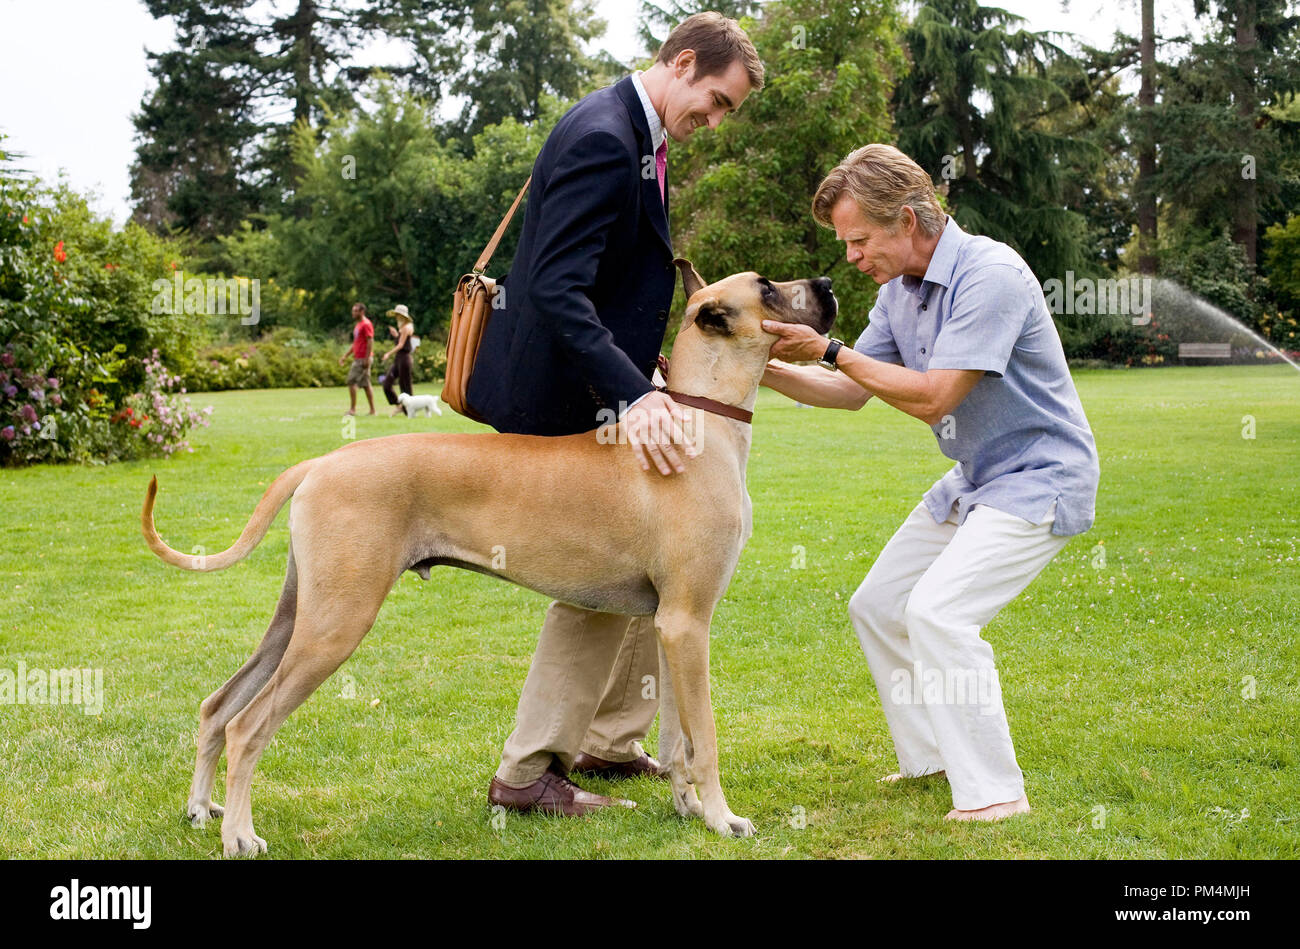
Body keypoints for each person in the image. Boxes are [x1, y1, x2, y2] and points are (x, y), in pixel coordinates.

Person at [465, 12, 764, 817]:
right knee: (593, 583)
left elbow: (607, 281)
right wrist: (634, 393)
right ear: (684, 61)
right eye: (714, 102)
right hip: (565, 398)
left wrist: (643, 373)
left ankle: (610, 738)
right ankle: (527, 773)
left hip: (601, 387)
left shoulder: (635, 130)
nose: (711, 122)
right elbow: (557, 288)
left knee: (652, 560)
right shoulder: (605, 133)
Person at [761, 144, 1100, 822]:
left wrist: (830, 347)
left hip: (1040, 476)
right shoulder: (898, 293)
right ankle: (931, 759)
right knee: (879, 604)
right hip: (975, 478)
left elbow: (933, 397)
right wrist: (749, 365)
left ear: (909, 221)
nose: (852, 257)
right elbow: (849, 390)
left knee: (939, 612)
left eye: (860, 240)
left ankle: (995, 794)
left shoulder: (990, 275)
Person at [339, 302, 376, 416]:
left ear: (362, 312)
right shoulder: (358, 325)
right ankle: (372, 410)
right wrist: (345, 355)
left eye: (355, 311)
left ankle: (353, 410)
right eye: (353, 311)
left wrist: (366, 358)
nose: (353, 313)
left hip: (362, 358)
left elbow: (370, 341)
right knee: (365, 384)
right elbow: (356, 343)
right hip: (358, 357)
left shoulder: (366, 324)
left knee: (351, 381)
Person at [381, 304, 416, 416]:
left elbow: (401, 345)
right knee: (387, 384)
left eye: (397, 315)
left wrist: (388, 354)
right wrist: (396, 334)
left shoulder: (407, 327)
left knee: (405, 385)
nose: (396, 317)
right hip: (398, 359)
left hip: (405, 359)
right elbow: (401, 340)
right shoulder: (402, 328)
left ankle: (409, 411)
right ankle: (399, 405)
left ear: (402, 316)